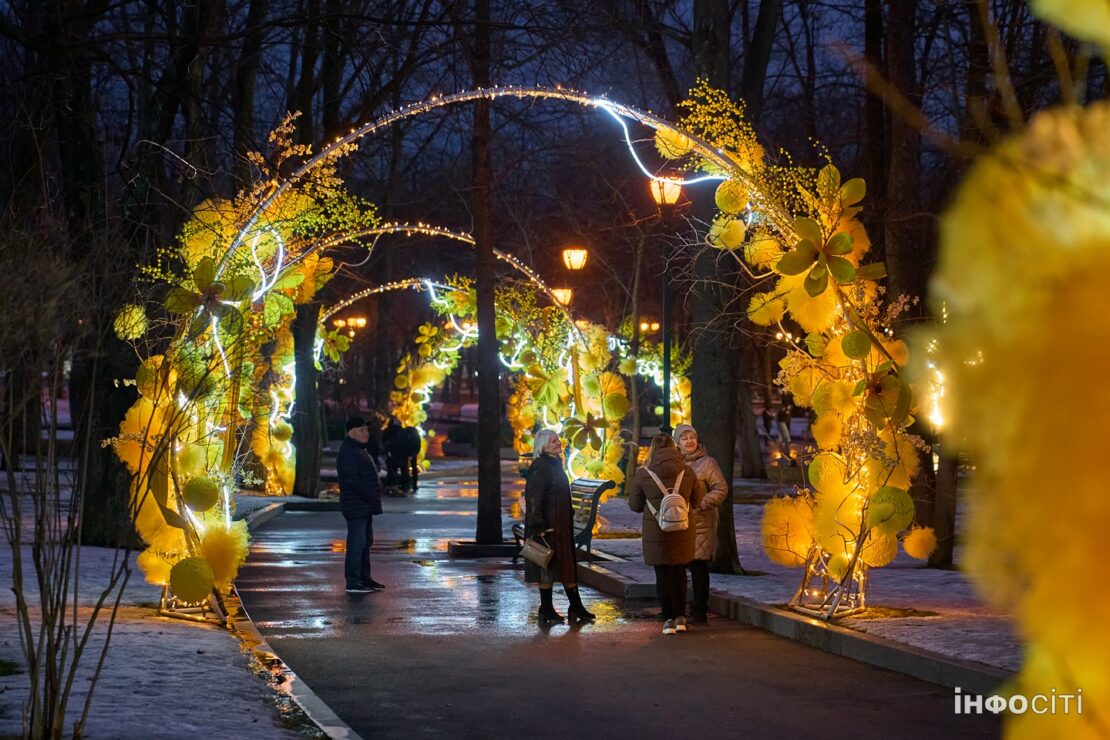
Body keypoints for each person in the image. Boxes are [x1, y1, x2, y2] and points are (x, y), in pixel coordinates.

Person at [627, 434, 704, 635]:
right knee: (680, 572)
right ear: (674, 447)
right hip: (683, 530)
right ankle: (681, 618)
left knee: (662, 575)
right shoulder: (687, 471)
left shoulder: (643, 473)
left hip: (657, 532)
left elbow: (635, 505)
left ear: (653, 449)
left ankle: (668, 619)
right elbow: (698, 500)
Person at [523, 428, 595, 624]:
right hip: (548, 528)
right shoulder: (542, 466)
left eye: (557, 440)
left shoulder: (554, 464)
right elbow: (534, 498)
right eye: (553, 441)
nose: (558, 443)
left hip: (560, 526)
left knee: (564, 566)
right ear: (543, 446)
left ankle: (574, 606)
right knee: (547, 566)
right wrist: (537, 526)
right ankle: (548, 608)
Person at [672, 424, 728, 623]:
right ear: (677, 443)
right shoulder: (674, 463)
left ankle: (699, 611)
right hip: (678, 522)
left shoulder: (707, 463)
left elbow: (721, 488)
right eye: (684, 438)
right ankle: (678, 610)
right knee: (677, 567)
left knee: (698, 567)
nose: (689, 441)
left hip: (700, 523)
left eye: (692, 437)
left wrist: (701, 504)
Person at [337, 417, 385, 593]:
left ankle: (364, 578)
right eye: (362, 430)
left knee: (365, 542)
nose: (366, 433)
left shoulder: (358, 449)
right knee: (357, 544)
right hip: (356, 504)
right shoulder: (349, 451)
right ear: (351, 432)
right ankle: (353, 582)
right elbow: (352, 479)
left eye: (366, 430)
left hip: (363, 504)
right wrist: (369, 494)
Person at [382, 415, 404, 493]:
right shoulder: (401, 431)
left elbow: (383, 440)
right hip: (398, 452)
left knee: (391, 468)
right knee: (397, 468)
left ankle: (390, 483)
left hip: (390, 452)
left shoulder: (387, 430)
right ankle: (396, 483)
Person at [398, 425, 422, 492]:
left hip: (407, 452)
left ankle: (406, 484)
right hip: (409, 452)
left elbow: (417, 446)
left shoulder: (405, 434)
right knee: (411, 468)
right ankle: (411, 484)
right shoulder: (414, 436)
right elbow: (417, 447)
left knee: (405, 468)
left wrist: (411, 455)